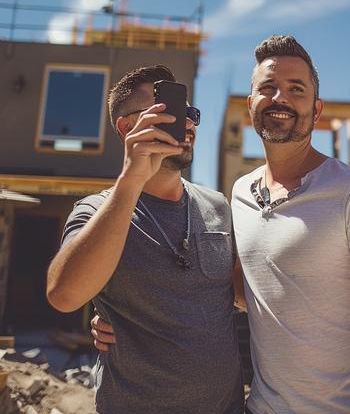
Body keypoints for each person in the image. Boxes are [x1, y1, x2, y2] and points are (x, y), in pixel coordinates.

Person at [230, 35, 350, 414]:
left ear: (316, 111)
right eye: (267, 88)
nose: (279, 97)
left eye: (295, 89)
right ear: (251, 104)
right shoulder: (239, 194)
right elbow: (245, 290)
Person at [47, 65, 244, 414]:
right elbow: (64, 296)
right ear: (126, 128)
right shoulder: (95, 210)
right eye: (169, 111)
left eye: (190, 112)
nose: (186, 123)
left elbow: (246, 294)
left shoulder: (218, 205)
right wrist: (131, 178)